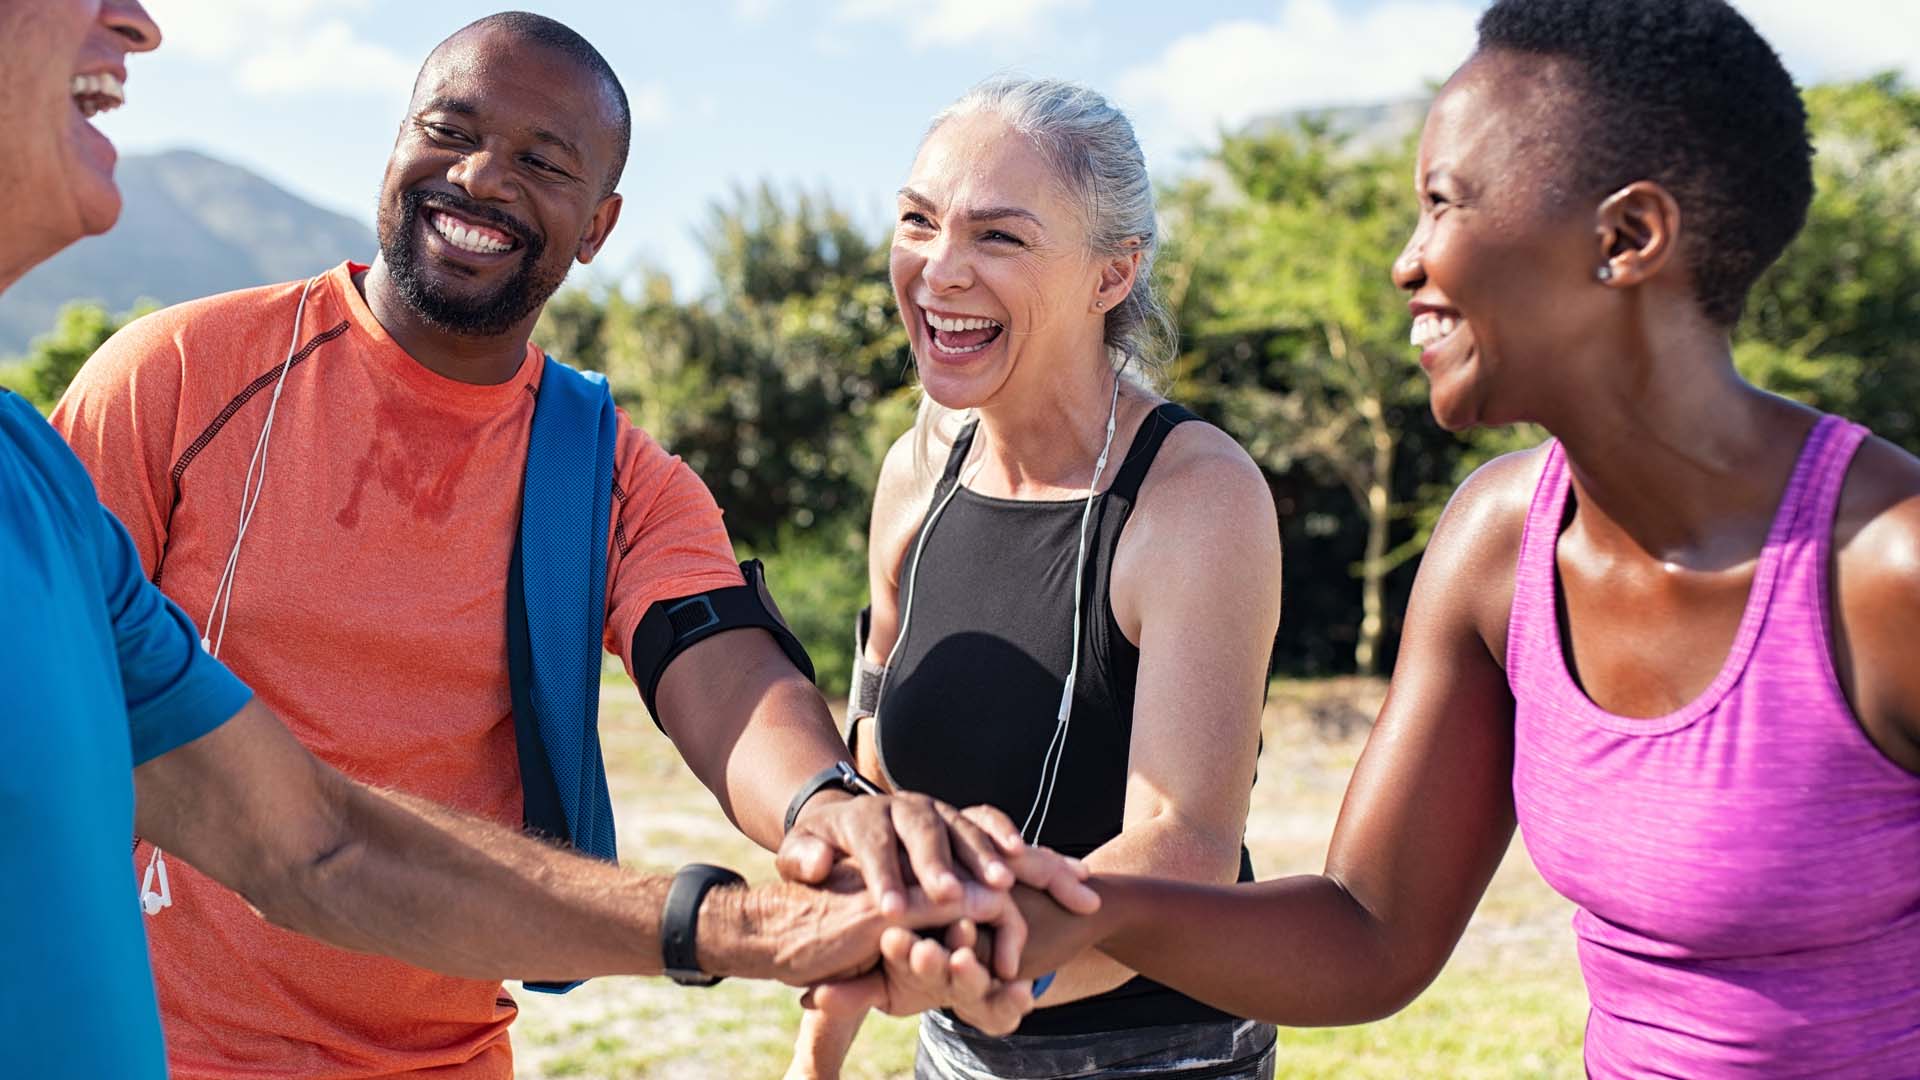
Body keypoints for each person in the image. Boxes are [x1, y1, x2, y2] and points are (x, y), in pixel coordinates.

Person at [0, 4, 1079, 1079]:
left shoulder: (607, 474)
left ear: (598, 227)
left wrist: (830, 809)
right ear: (394, 147)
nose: (480, 177)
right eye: (449, 131)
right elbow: (79, 721)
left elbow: (721, 664)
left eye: (542, 162)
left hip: (443, 1059)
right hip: (155, 1044)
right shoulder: (178, 377)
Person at [962, 1, 1920, 1076]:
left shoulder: (1889, 572)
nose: (1406, 264)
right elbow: (1366, 936)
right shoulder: (1498, 546)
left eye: (1443, 204)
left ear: (1626, 239)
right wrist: (1078, 911)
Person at [788, 77, 1285, 1080]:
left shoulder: (1195, 498)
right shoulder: (914, 475)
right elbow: (872, 775)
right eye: (918, 221)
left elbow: (1184, 844)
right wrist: (819, 1050)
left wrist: (979, 963)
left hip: (1163, 1055)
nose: (939, 271)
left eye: (999, 237)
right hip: (952, 1042)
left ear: (1113, 274)